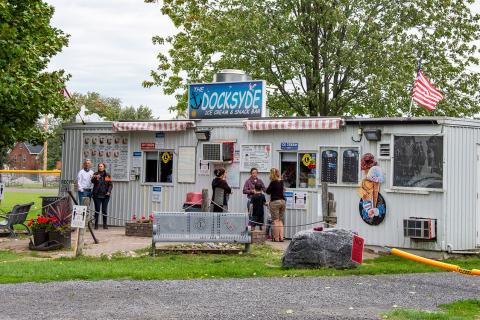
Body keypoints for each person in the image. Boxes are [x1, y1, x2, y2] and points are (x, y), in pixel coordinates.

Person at [266, 168, 286, 242]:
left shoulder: (273, 182)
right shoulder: (281, 182)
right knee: (280, 221)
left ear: (272, 174)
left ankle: (276, 238)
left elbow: (268, 191)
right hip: (283, 201)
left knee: (276, 221)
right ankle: (281, 237)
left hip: (275, 202)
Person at [91, 162, 113, 229]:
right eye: (99, 166)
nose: (100, 167)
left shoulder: (107, 175)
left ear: (104, 167)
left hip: (105, 196)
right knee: (97, 210)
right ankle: (96, 225)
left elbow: (110, 185)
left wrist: (109, 192)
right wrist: (95, 177)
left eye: (101, 166)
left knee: (104, 210)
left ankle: (105, 225)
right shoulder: (96, 174)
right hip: (97, 195)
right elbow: (92, 181)